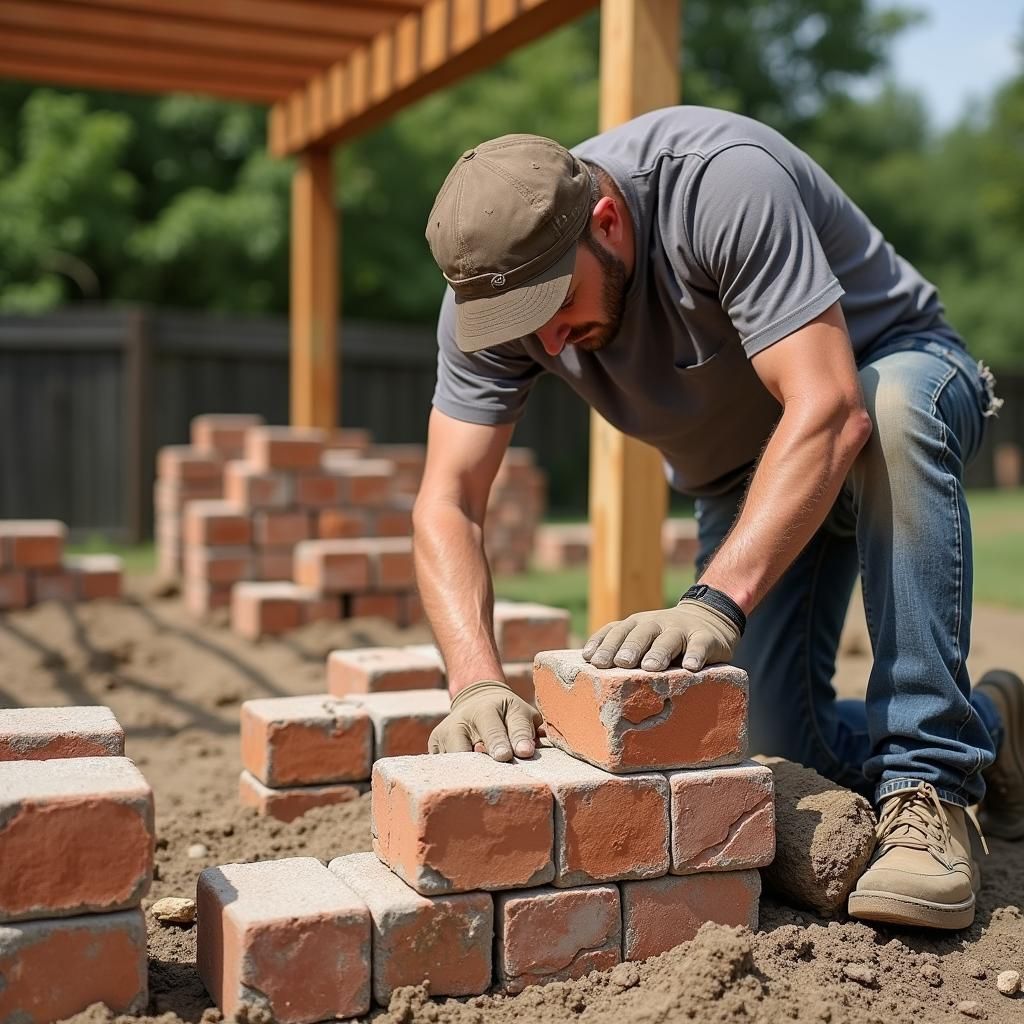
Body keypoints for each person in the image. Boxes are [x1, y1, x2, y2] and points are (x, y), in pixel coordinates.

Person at [411, 106, 1023, 930]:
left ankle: (932, 786)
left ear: (607, 221)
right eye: (521, 328)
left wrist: (714, 600)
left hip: (883, 379)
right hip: (746, 472)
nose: (549, 342)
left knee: (894, 406)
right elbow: (448, 499)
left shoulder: (718, 182)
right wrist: (474, 678)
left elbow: (832, 410)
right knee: (773, 747)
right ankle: (992, 724)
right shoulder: (493, 293)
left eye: (555, 305)